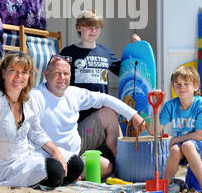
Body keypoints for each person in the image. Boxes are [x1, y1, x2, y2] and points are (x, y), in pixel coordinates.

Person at [0, 52, 83, 193]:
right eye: (13, 71)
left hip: (26, 156)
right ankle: (47, 179)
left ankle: (47, 178)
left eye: (24, 72)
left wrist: (56, 153)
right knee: (55, 171)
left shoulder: (27, 100)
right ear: (3, 73)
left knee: (75, 164)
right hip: (0, 168)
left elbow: (37, 133)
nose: (19, 76)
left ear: (29, 76)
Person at [29, 55, 147, 178]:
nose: (62, 78)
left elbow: (104, 98)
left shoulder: (73, 93)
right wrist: (56, 154)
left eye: (66, 73)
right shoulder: (35, 96)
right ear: (46, 75)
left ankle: (122, 162)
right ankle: (71, 172)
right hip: (52, 155)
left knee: (108, 114)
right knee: (106, 167)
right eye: (57, 73)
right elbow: (34, 134)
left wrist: (133, 115)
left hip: (77, 147)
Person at [60, 9, 141, 167]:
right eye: (88, 27)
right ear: (78, 28)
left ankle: (121, 161)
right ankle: (124, 163)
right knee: (110, 112)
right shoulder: (69, 52)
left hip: (101, 120)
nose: (93, 31)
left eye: (96, 27)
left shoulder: (105, 52)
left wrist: (136, 47)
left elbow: (126, 71)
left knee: (110, 116)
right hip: (80, 123)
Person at [151, 65, 202, 193]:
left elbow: (199, 135)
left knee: (187, 145)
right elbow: (155, 131)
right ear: (173, 87)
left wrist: (176, 139)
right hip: (184, 145)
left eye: (186, 84)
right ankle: (165, 184)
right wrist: (156, 107)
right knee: (175, 149)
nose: (181, 87)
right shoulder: (170, 105)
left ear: (196, 86)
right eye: (178, 84)